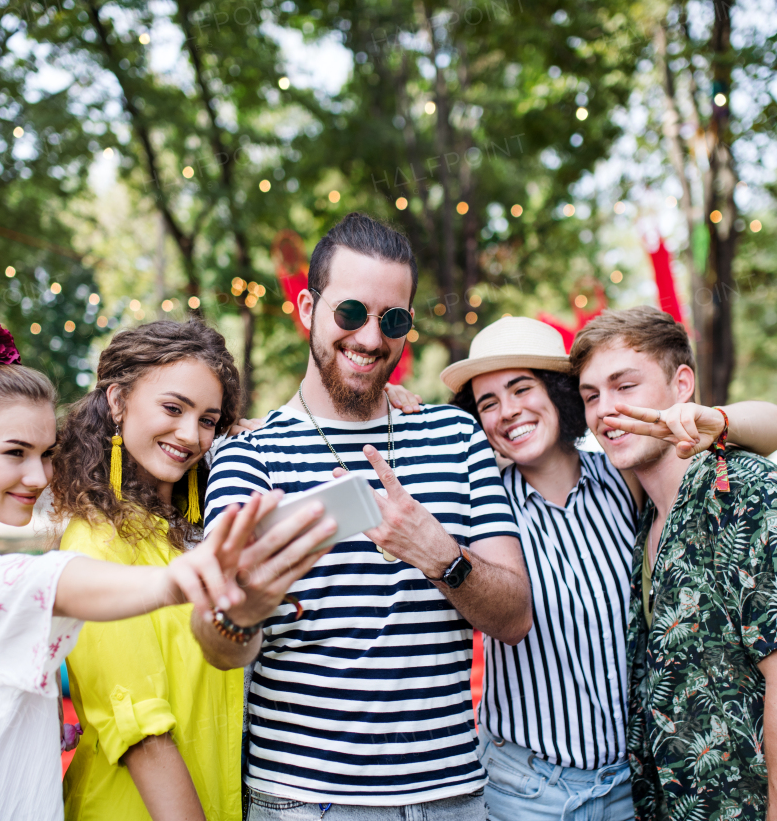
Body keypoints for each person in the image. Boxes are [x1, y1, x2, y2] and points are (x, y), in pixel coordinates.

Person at [196, 213, 531, 820]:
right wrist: (243, 608)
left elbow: (513, 617)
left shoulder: (456, 437)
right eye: (351, 313)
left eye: (393, 319)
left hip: (450, 798)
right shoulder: (250, 453)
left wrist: (440, 555)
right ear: (307, 310)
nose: (372, 339)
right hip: (305, 801)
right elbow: (220, 645)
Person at [0, 317, 260, 821]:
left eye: (47, 454)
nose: (39, 476)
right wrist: (178, 580)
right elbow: (54, 582)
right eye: (15, 453)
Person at [433, 315, 777, 821]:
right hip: (522, 791)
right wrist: (402, 407)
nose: (507, 411)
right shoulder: (481, 505)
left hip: (634, 785)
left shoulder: (625, 478)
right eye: (487, 402)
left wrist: (709, 419)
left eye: (520, 389)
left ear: (561, 394)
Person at [571, 306, 777, 820]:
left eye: (624, 386)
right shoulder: (643, 517)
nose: (605, 410)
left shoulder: (745, 493)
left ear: (682, 385)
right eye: (591, 396)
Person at [50, 320, 333, 821]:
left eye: (208, 419)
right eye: (173, 408)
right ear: (117, 401)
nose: (190, 434)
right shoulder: (95, 543)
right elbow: (143, 736)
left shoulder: (193, 531)